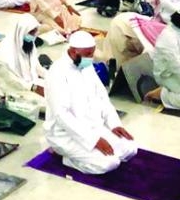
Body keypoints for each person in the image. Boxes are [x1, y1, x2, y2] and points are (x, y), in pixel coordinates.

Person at [45, 30, 137, 174]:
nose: (91, 58)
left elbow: (102, 97)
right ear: (73, 52)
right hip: (66, 135)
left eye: (92, 53)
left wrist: (114, 124)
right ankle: (67, 158)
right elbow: (62, 116)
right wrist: (93, 140)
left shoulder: (86, 66)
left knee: (130, 148)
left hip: (94, 127)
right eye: (87, 54)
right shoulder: (57, 72)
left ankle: (89, 153)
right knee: (109, 163)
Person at [0, 15, 46, 108]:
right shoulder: (4, 50)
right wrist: (33, 87)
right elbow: (10, 80)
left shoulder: (28, 43)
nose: (35, 35)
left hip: (32, 83)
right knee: (49, 105)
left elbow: (36, 66)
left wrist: (50, 77)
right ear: (22, 31)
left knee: (59, 91)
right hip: (14, 90)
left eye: (36, 31)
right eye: (31, 32)